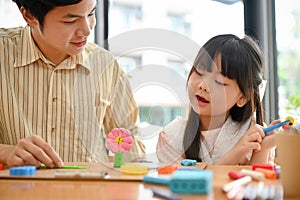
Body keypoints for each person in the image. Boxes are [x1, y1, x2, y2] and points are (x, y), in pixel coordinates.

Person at [0, 0, 145, 168]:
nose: (87, 29)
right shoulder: (3, 53)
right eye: (71, 20)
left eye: (91, 14)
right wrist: (6, 152)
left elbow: (131, 143)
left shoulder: (105, 65)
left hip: (89, 190)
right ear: (29, 16)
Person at [156, 34, 280, 165]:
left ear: (243, 97)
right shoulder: (171, 137)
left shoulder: (252, 132)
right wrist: (237, 152)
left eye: (219, 82)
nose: (203, 86)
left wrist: (263, 149)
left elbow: (256, 183)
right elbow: (189, 184)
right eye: (199, 72)